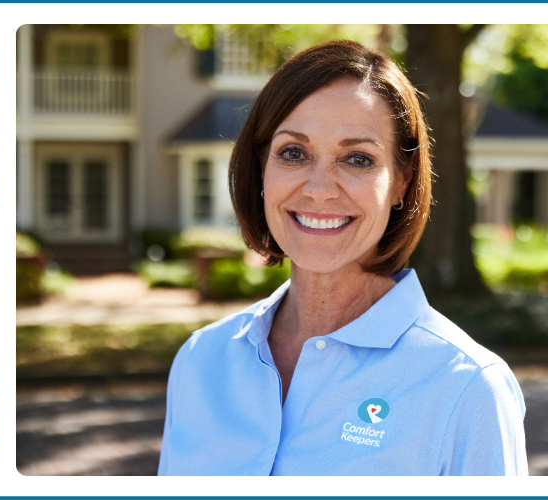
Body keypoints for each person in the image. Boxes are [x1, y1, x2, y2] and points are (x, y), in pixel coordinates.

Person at [158, 41, 526, 475]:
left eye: (357, 159)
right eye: (293, 153)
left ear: (401, 183)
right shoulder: (201, 359)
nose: (319, 189)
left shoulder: (468, 386)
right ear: (262, 169)